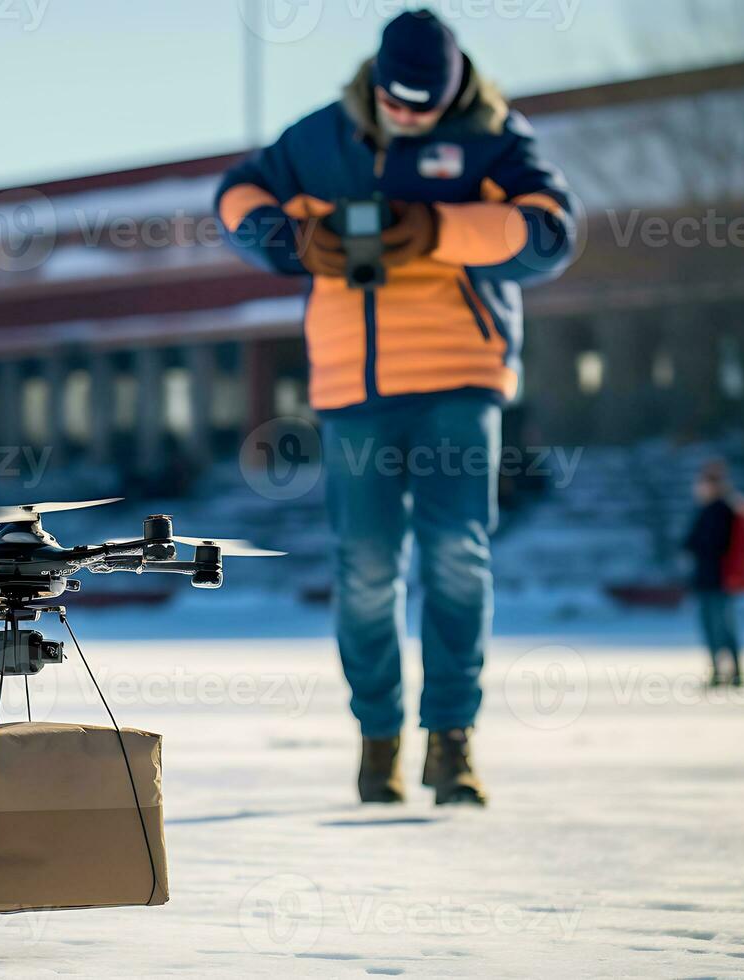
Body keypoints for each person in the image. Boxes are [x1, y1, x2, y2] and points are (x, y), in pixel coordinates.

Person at [215, 10, 578, 805]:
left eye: (424, 104)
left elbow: (552, 236)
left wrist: (437, 228)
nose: (407, 115)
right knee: (366, 568)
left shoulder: (494, 138)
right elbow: (235, 196)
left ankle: (452, 742)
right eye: (395, 100)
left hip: (460, 380)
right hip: (354, 393)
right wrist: (293, 242)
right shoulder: (317, 139)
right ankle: (378, 739)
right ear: (374, 80)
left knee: (456, 557)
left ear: (451, 92)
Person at [683, 460, 744, 687]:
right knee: (712, 626)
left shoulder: (724, 510)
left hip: (721, 579)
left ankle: (733, 672)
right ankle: (720, 671)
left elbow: (711, 544)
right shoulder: (707, 509)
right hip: (708, 579)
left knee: (722, 626)